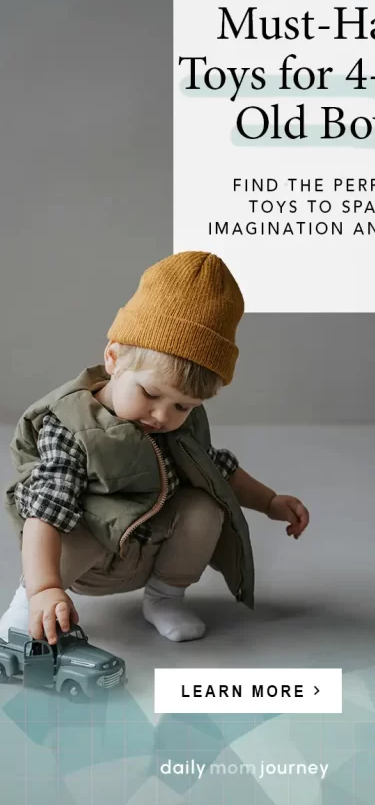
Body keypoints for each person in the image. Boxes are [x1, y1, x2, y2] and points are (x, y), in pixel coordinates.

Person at [1, 251, 309, 644]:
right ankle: (26, 605)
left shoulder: (176, 424)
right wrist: (44, 587)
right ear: (113, 359)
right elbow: (44, 513)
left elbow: (218, 470)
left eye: (182, 406)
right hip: (85, 563)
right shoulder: (72, 426)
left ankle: (165, 597)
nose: (163, 415)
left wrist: (269, 501)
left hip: (145, 550)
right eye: (149, 393)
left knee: (205, 507)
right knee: (64, 524)